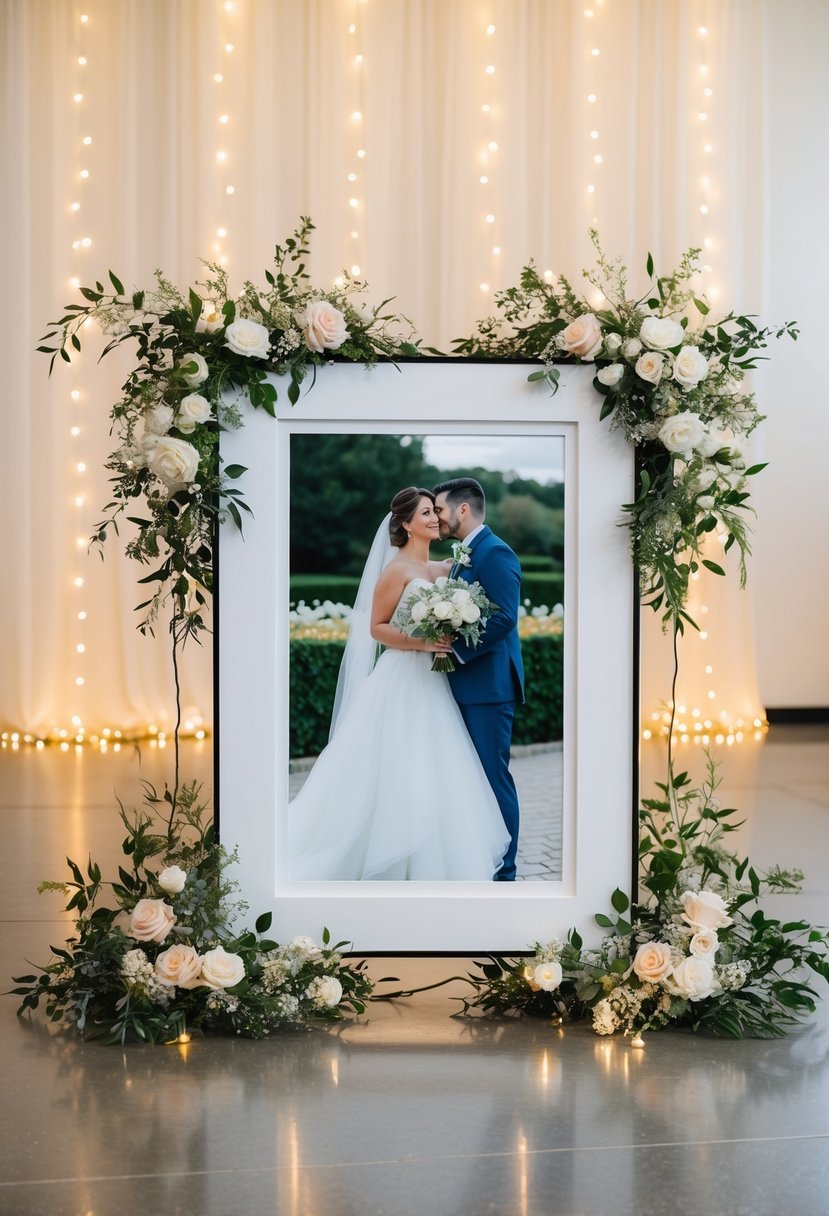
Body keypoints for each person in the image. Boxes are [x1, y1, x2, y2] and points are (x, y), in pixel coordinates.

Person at [287, 486, 510, 881]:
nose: (434, 519)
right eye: (426, 513)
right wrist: (423, 641)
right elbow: (376, 628)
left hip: (435, 681)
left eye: (435, 512)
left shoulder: (447, 570)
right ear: (406, 524)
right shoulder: (396, 571)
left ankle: (433, 863)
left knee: (435, 769)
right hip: (401, 678)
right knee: (393, 766)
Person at [432, 478, 524, 881]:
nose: (437, 517)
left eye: (439, 509)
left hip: (488, 687)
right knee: (470, 780)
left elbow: (505, 616)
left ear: (462, 509)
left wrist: (456, 648)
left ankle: (505, 870)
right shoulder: (464, 555)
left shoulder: (495, 552)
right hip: (467, 683)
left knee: (492, 778)